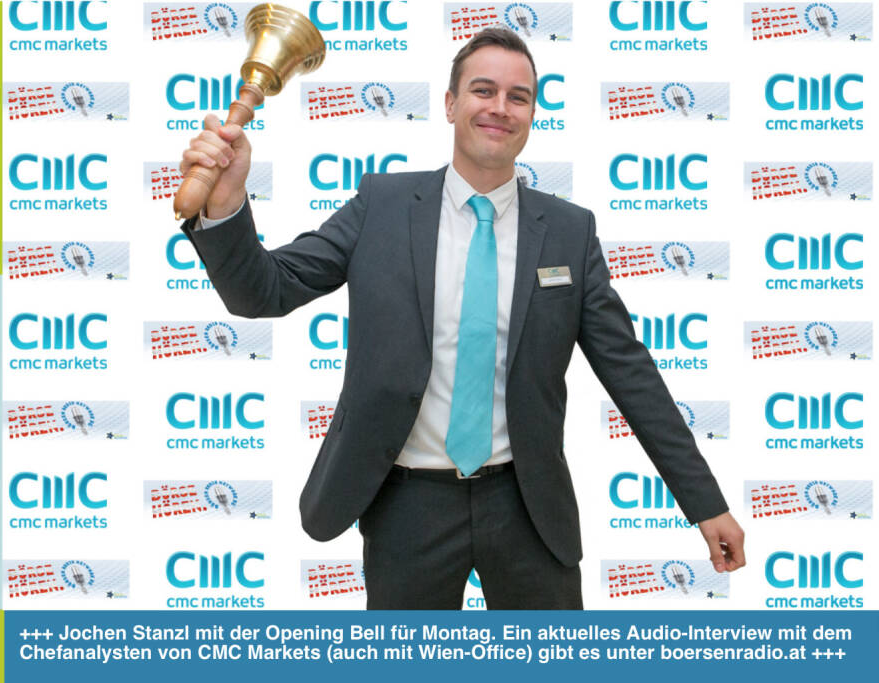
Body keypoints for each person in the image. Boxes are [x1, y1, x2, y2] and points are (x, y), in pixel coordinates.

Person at [177, 28, 745, 609]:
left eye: (518, 97)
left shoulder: (569, 232)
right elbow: (263, 291)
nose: (500, 107)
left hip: (528, 506)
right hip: (407, 507)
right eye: (483, 90)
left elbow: (631, 373)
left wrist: (705, 502)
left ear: (532, 115)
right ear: (451, 104)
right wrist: (227, 204)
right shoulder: (381, 206)